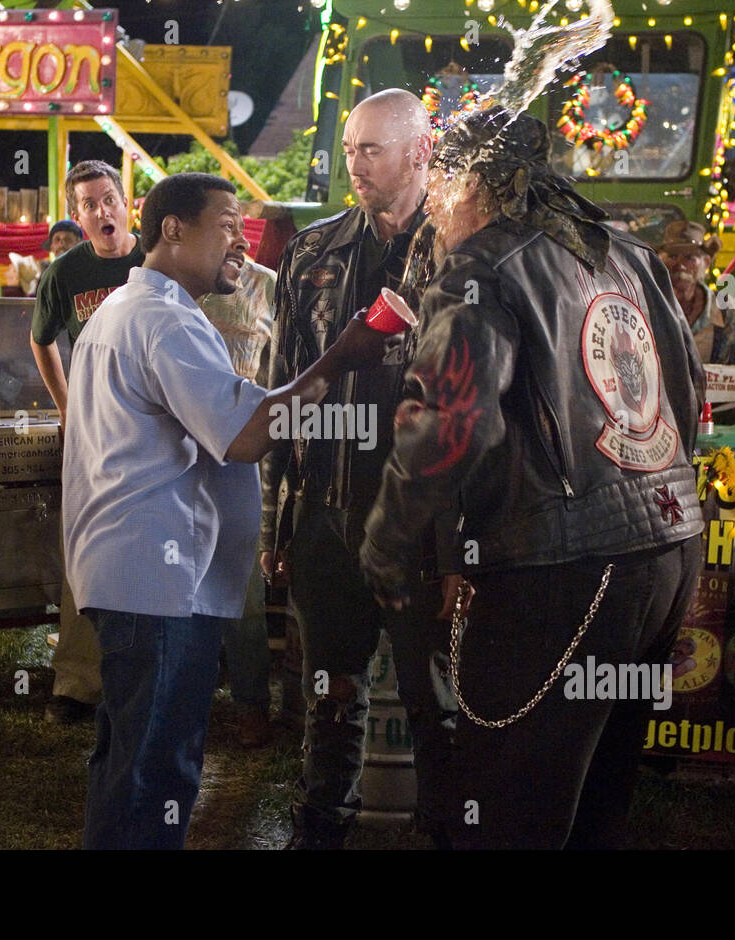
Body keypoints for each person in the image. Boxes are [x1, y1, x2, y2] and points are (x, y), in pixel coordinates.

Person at [359, 108, 705, 850]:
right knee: (594, 793)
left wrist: (386, 541)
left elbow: (454, 421)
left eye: (441, 182)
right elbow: (688, 391)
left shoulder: (483, 264)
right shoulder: (626, 251)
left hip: (564, 567)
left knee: (507, 806)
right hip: (667, 549)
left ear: (473, 182)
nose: (433, 204)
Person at [63, 171, 387, 849]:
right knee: (156, 771)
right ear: (173, 230)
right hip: (158, 584)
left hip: (143, 578)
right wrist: (340, 359)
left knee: (129, 764)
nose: (238, 241)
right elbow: (244, 435)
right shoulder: (161, 320)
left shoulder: (129, 312)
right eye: (225, 224)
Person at [260, 87, 460, 849]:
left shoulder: (460, 255)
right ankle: (321, 829)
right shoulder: (312, 251)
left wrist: (462, 544)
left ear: (420, 151)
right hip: (326, 512)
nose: (356, 164)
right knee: (328, 695)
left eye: (372, 149)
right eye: (349, 149)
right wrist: (278, 517)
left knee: (432, 703)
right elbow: (281, 387)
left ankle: (447, 834)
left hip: (418, 527)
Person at [30, 162, 143, 724]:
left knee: (149, 549)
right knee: (86, 548)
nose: (103, 212)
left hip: (150, 431)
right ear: (77, 216)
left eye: (109, 200)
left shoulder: (155, 262)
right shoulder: (64, 274)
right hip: (93, 433)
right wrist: (67, 405)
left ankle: (141, 675)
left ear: (127, 204)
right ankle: (75, 682)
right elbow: (41, 340)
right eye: (90, 205)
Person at [198, 256, 276, 746]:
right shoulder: (182, 282)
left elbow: (282, 363)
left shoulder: (266, 285)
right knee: (185, 590)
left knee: (244, 589)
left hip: (244, 448)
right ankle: (189, 700)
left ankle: (251, 706)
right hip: (183, 448)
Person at [659, 219, 735, 365]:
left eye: (689, 258)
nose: (680, 265)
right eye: (672, 257)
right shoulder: (646, 301)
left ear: (706, 263)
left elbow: (724, 367)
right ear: (659, 261)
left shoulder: (723, 307)